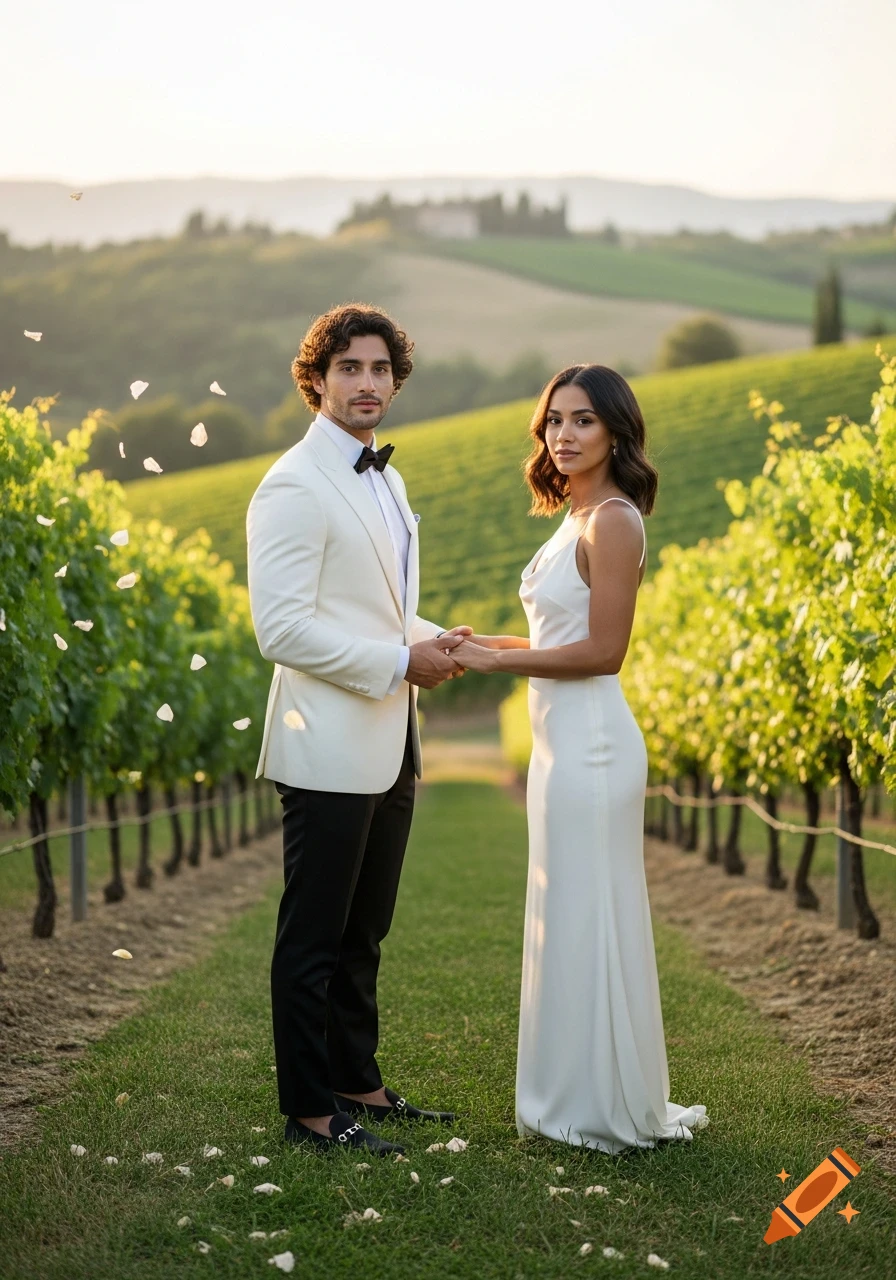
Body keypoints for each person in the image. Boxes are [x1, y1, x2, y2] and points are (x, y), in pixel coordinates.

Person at [453, 364, 709, 1153]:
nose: (564, 435)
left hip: (595, 745)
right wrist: (476, 645)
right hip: (562, 745)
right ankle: (568, 1092)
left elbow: (603, 652)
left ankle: (600, 1104)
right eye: (555, 421)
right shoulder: (576, 516)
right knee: (565, 910)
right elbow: (555, 639)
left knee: (591, 911)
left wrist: (496, 666)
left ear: (616, 432)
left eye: (583, 421)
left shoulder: (615, 521)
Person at [247, 303, 469, 1157]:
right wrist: (397, 663)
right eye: (350, 368)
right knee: (313, 939)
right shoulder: (293, 484)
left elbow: (383, 610)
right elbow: (283, 630)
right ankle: (309, 1110)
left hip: (392, 737)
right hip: (327, 743)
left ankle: (357, 1081)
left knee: (363, 931)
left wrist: (435, 640)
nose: (367, 383)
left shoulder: (387, 478)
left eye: (380, 369)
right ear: (317, 379)